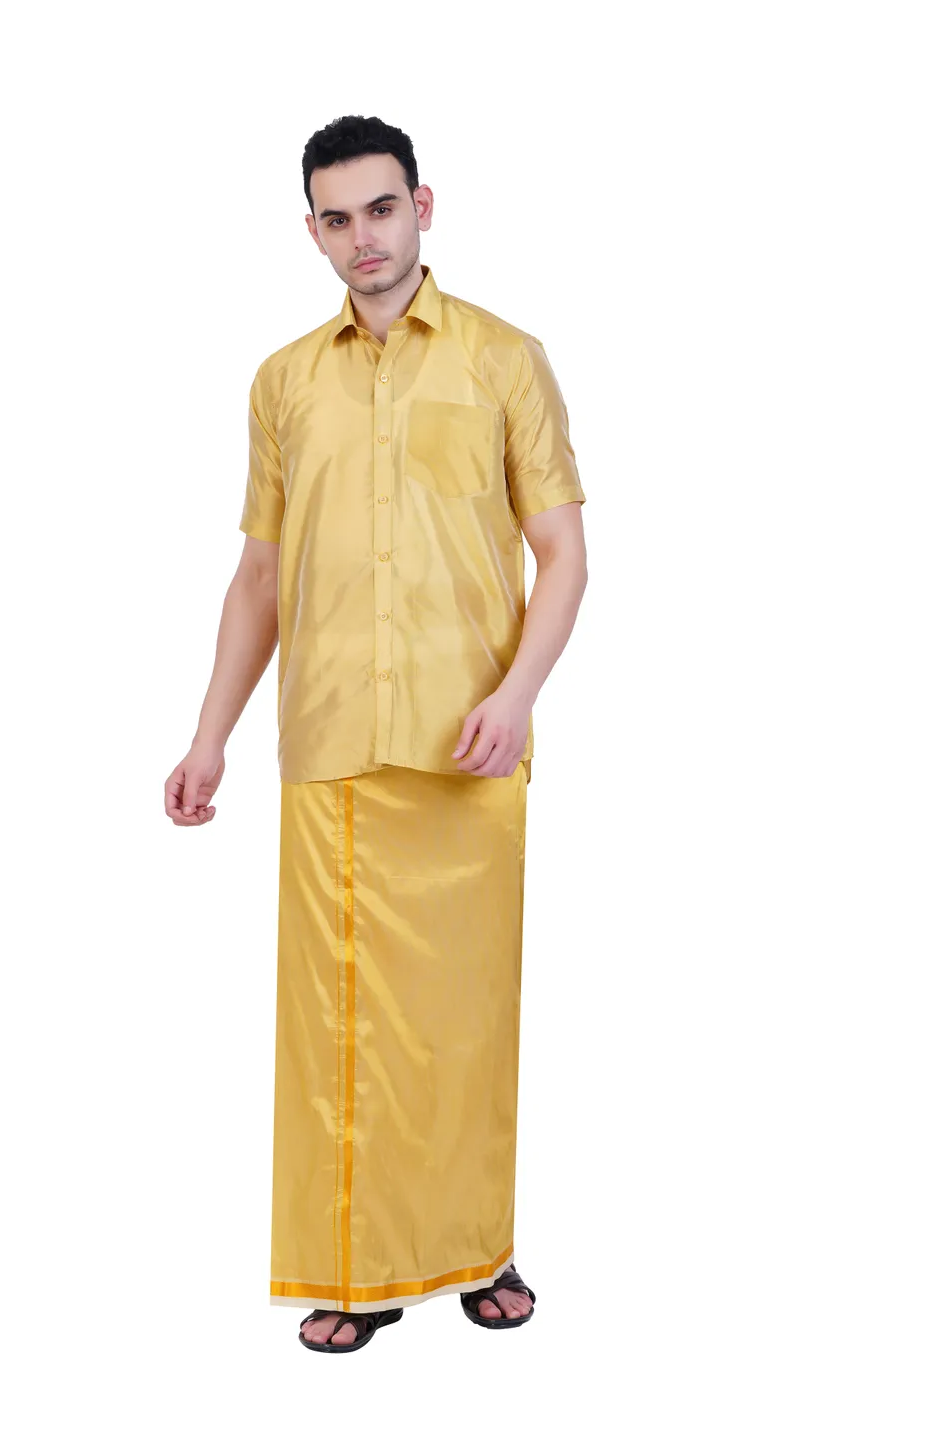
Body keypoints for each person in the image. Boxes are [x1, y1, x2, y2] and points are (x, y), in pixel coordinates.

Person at [164, 114, 588, 1353]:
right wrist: (208, 738)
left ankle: (479, 1250)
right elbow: (261, 577)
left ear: (424, 206)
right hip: (333, 742)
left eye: (383, 209)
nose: (365, 238)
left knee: (464, 1022)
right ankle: (354, 1271)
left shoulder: (507, 359)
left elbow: (563, 553)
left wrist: (517, 696)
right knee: (340, 1029)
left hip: (470, 747)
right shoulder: (283, 382)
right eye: (338, 218)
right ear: (312, 231)